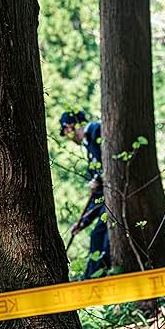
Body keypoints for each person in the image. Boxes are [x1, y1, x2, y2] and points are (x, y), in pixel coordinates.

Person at [60, 110, 110, 278]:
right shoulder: (89, 145)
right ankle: (90, 277)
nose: (68, 137)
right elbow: (97, 197)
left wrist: (99, 177)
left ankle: (94, 279)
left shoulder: (97, 130)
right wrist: (82, 223)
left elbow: (109, 161)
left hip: (115, 198)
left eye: (65, 132)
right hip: (106, 199)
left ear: (69, 127)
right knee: (97, 236)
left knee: (101, 237)